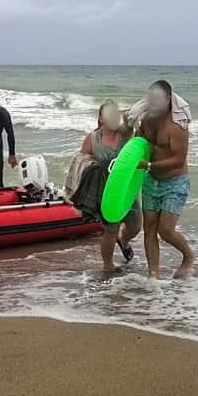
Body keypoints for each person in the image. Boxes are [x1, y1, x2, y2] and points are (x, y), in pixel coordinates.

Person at [136, 80, 196, 279]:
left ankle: (188, 256)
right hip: (150, 180)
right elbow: (138, 143)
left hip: (174, 181)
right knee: (149, 228)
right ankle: (153, 274)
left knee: (166, 230)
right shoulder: (147, 119)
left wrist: (150, 165)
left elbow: (178, 160)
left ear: (168, 99)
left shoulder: (177, 126)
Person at [79, 100, 140, 271]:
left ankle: (125, 240)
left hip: (127, 190)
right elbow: (81, 161)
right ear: (100, 119)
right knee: (110, 231)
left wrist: (131, 110)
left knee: (135, 227)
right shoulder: (92, 138)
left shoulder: (125, 134)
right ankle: (108, 267)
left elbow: (131, 117)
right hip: (104, 192)